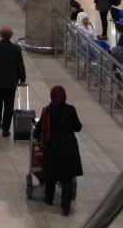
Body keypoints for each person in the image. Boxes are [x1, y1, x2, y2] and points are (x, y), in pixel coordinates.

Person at [36, 85, 83, 216]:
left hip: (52, 149)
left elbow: (39, 128)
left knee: (51, 175)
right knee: (67, 178)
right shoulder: (71, 110)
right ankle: (65, 207)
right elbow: (78, 127)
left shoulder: (47, 111)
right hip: (69, 149)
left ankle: (49, 199)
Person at [0, 25, 27, 137]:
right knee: (9, 105)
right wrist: (22, 80)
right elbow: (20, 66)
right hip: (11, 82)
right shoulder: (16, 49)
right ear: (11, 36)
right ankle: (6, 129)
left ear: (0, 35)